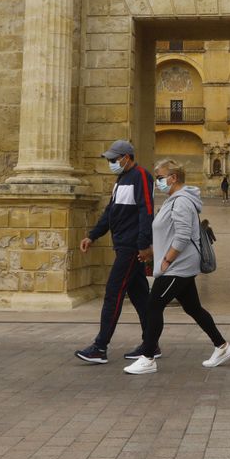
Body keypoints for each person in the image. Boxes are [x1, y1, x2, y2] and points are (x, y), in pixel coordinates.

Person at [124, 161, 230, 375]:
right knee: (193, 308)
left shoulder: (181, 201)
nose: (158, 182)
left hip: (178, 267)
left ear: (173, 177)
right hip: (179, 264)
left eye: (160, 177)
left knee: (153, 305)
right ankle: (222, 347)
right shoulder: (173, 200)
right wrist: (152, 252)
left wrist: (166, 260)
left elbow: (183, 236)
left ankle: (148, 357)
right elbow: (170, 233)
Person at [75, 140, 157, 365]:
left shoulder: (141, 176)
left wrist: (143, 244)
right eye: (110, 160)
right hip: (123, 244)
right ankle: (151, 344)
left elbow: (146, 211)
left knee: (113, 293)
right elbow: (110, 212)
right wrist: (92, 235)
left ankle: (100, 347)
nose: (111, 163)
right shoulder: (121, 180)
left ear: (127, 158)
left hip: (130, 247)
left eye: (114, 159)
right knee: (141, 297)